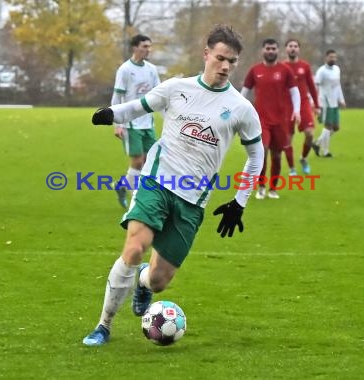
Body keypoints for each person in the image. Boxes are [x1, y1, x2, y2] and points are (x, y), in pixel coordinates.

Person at [83, 25, 264, 346]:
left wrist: (240, 201)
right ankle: (103, 326)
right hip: (156, 181)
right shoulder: (176, 88)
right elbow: (140, 106)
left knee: (159, 280)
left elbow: (255, 156)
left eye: (232, 61)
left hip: (192, 201)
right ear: (206, 54)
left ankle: (143, 283)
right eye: (220, 58)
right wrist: (110, 114)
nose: (225, 66)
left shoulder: (241, 108)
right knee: (135, 247)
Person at [240, 38, 300, 200]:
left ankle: (273, 189)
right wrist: (238, 109)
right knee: (262, 152)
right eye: (268, 48)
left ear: (277, 51)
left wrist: (297, 111)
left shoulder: (285, 70)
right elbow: (244, 92)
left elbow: (295, 91)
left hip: (280, 121)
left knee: (277, 155)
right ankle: (261, 187)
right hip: (261, 121)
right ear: (263, 50)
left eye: (273, 48)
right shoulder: (255, 70)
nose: (271, 51)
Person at [111, 34, 161, 209]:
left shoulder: (152, 69)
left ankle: (122, 186)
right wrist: (117, 123)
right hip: (131, 123)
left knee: (149, 161)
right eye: (145, 46)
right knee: (138, 161)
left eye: (149, 46)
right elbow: (117, 96)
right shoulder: (125, 69)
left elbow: (158, 93)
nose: (148, 49)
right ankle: (136, 200)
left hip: (148, 122)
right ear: (135, 47)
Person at [283, 39, 320, 174]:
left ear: (299, 49)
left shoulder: (304, 66)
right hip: (286, 105)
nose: (293, 48)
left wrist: (316, 104)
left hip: (303, 103)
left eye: (295, 46)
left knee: (310, 134)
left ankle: (303, 158)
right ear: (286, 49)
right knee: (287, 138)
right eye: (290, 46)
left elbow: (311, 86)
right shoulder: (282, 66)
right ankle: (292, 168)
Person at [312, 49, 346, 158]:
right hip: (325, 102)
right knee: (327, 126)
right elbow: (315, 87)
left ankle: (317, 143)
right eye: (331, 57)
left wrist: (341, 99)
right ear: (326, 58)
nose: (333, 59)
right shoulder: (321, 71)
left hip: (334, 102)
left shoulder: (337, 69)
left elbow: (338, 85)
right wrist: (315, 102)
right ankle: (326, 151)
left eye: (334, 57)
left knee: (336, 128)